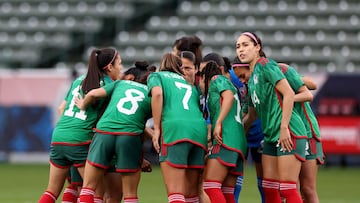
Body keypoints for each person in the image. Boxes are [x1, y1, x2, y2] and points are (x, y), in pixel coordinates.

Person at [38, 47, 122, 203]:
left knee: (51, 191)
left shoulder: (78, 80)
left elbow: (61, 108)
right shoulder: (112, 85)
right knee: (95, 192)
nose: (121, 68)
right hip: (80, 140)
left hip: (59, 136)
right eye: (120, 63)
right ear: (110, 67)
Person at [236, 31, 308, 203]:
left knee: (288, 188)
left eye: (246, 45)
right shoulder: (252, 76)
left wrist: (284, 128)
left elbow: (289, 94)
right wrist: (237, 135)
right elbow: (252, 115)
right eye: (238, 46)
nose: (241, 50)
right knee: (268, 187)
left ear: (257, 47)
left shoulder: (266, 65)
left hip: (288, 131)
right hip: (270, 136)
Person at [76, 61, 153, 203]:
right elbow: (138, 123)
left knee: (88, 189)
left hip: (104, 132)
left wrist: (82, 105)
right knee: (130, 194)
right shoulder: (151, 94)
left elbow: (93, 94)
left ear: (130, 77)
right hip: (129, 136)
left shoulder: (120, 84)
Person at [148, 53, 208, 203]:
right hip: (199, 131)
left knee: (175, 193)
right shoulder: (189, 85)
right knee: (192, 193)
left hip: (175, 130)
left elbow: (157, 94)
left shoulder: (156, 76)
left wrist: (156, 128)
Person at [198, 61, 247, 203]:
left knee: (210, 186)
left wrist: (218, 122)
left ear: (203, 77)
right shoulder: (230, 84)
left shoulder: (217, 79)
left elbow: (228, 97)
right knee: (227, 191)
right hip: (238, 142)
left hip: (226, 138)